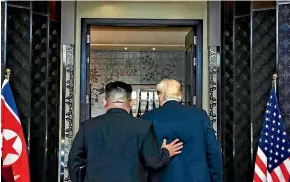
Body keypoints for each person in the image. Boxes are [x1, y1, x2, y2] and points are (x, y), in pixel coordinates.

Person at [68, 81, 183, 182]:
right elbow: (153, 162)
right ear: (131, 103)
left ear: (105, 102)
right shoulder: (143, 127)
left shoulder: (88, 127)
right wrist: (166, 152)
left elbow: (74, 162)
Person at [141, 79, 222, 182]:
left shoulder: (148, 118)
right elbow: (213, 152)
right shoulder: (200, 116)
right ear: (180, 94)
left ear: (160, 95)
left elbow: (145, 158)